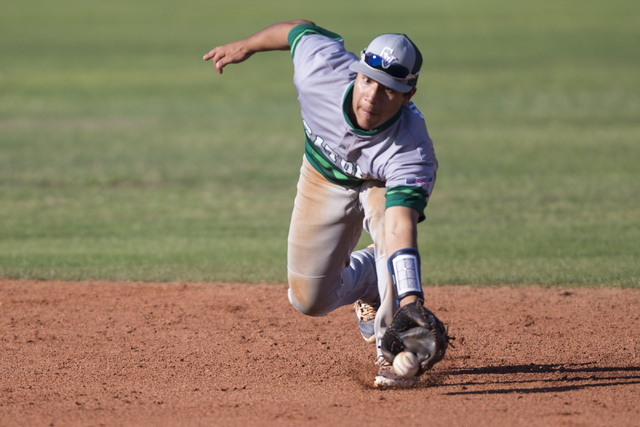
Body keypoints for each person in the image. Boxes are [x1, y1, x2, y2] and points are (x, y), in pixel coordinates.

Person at [204, 20, 446, 386]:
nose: (372, 97)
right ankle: (367, 282)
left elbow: (399, 225)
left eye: (389, 91)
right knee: (309, 300)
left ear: (407, 96)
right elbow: (297, 30)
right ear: (357, 73)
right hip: (323, 177)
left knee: (387, 232)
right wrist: (247, 45)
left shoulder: (411, 151)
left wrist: (412, 301)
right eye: (368, 81)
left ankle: (392, 351)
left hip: (380, 182)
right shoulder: (320, 73)